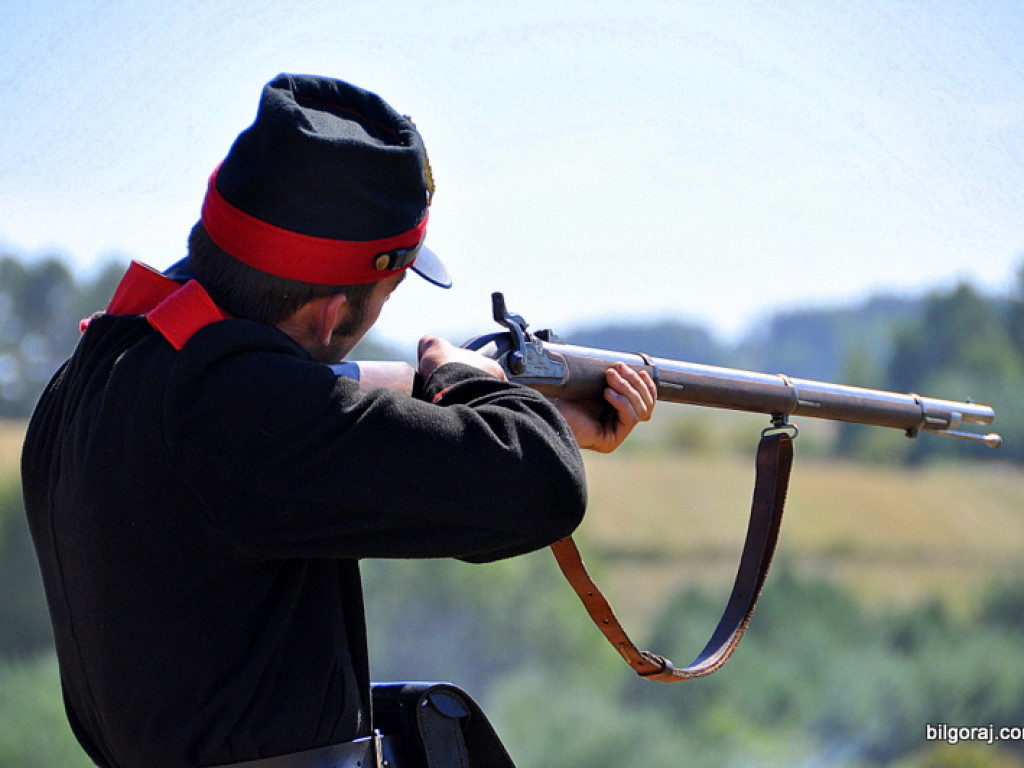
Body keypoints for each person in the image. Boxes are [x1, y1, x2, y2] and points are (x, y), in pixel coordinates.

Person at [21, 73, 656, 768]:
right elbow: (542, 487)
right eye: (386, 293)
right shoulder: (233, 408)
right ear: (327, 314)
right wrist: (468, 381)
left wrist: (493, 410)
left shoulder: (100, 375)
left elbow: (318, 423)